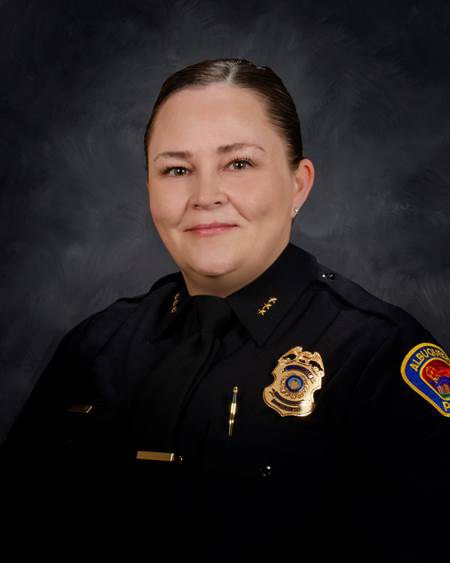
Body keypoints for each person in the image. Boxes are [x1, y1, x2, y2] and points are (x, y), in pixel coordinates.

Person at [2, 58, 449, 562]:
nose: (205, 196)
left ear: (298, 183)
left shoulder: (379, 357)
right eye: (176, 169)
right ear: (149, 187)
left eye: (239, 163)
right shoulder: (96, 347)